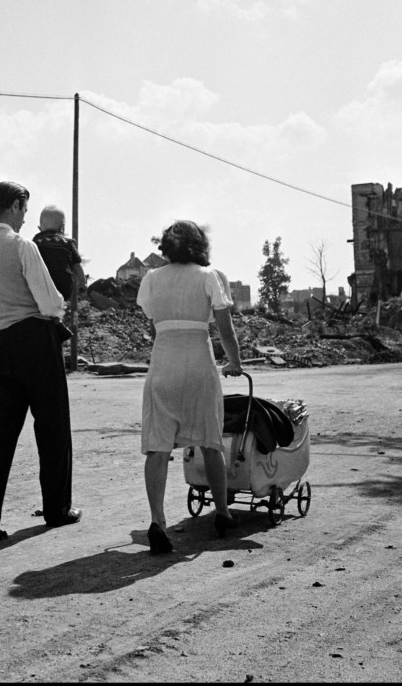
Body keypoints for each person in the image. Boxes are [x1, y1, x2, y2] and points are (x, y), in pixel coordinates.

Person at [0, 181, 82, 542]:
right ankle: (57, 509)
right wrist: (58, 309)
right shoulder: (20, 245)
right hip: (35, 338)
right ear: (14, 205)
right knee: (52, 425)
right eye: (25, 210)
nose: (26, 218)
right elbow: (50, 301)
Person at [136, 220, 243, 554]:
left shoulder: (151, 279)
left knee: (158, 447)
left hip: (163, 363)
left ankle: (158, 521)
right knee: (211, 441)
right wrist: (235, 362)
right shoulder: (209, 277)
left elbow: (155, 324)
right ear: (199, 245)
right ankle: (222, 513)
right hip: (199, 363)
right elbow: (225, 331)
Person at [33, 205, 87, 342]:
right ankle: (57, 320)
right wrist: (83, 283)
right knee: (58, 301)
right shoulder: (68, 243)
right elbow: (77, 266)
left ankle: (54, 321)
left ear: (40, 227)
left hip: (44, 285)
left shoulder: (35, 243)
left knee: (41, 301)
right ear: (62, 228)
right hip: (64, 286)